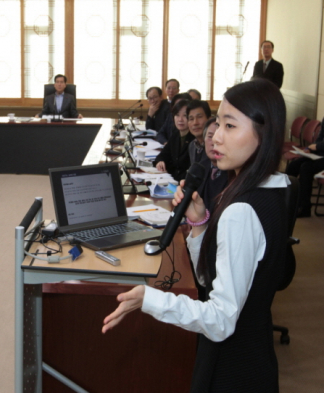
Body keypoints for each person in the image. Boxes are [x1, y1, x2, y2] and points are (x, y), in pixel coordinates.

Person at [102, 78, 289, 392]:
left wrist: (151, 298)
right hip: (256, 358)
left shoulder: (241, 211)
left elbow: (220, 320)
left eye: (230, 126)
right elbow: (213, 280)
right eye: (219, 122)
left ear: (264, 133)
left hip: (232, 368)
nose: (216, 136)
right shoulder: (273, 189)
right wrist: (200, 224)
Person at [286, 115, 324, 217]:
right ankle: (287, 198)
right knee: (294, 165)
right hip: (320, 153)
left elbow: (319, 144)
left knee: (306, 168)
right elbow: (320, 138)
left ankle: (304, 207)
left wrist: (317, 146)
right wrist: (310, 148)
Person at [153, 99, 194, 182]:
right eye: (177, 115)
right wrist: (160, 162)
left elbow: (187, 170)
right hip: (172, 180)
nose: (180, 119)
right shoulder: (176, 135)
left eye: (185, 116)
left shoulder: (194, 139)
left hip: (183, 183)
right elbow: (162, 155)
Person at [198, 117, 229, 214]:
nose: (214, 142)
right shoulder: (201, 167)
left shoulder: (234, 174)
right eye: (210, 136)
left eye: (218, 137)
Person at [187, 100, 211, 165]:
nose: (195, 123)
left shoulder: (215, 145)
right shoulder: (192, 146)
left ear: (209, 119)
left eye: (199, 117)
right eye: (191, 119)